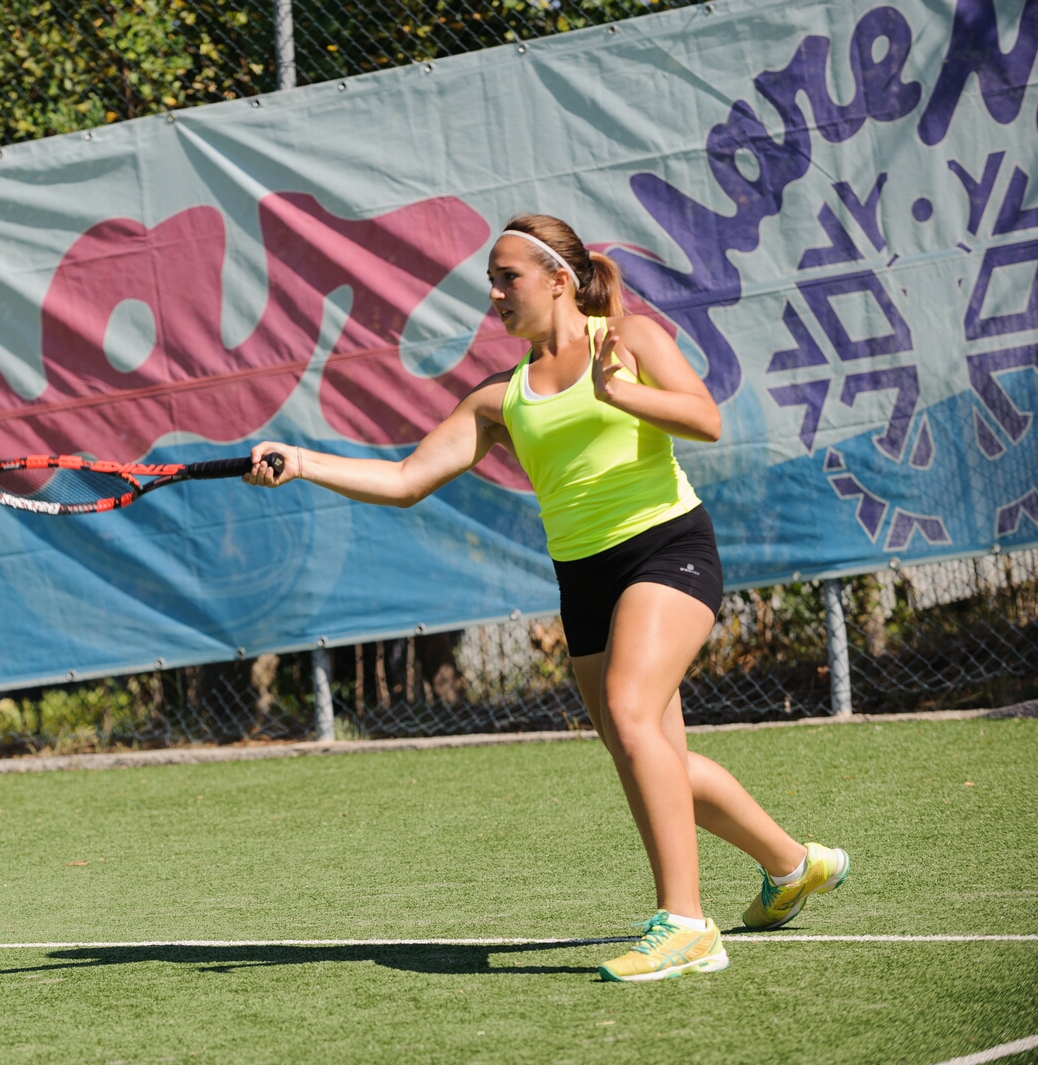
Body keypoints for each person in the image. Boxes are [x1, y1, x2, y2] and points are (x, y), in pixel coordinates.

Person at [244, 213, 849, 982]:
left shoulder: (628, 340)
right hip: (584, 580)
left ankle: (687, 924)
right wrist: (301, 461)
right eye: (491, 281)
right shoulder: (501, 397)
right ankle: (792, 863)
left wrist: (621, 392)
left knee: (631, 715)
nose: (495, 294)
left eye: (509, 278)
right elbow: (404, 480)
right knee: (648, 754)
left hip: (667, 549)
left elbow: (706, 418)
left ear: (560, 279)